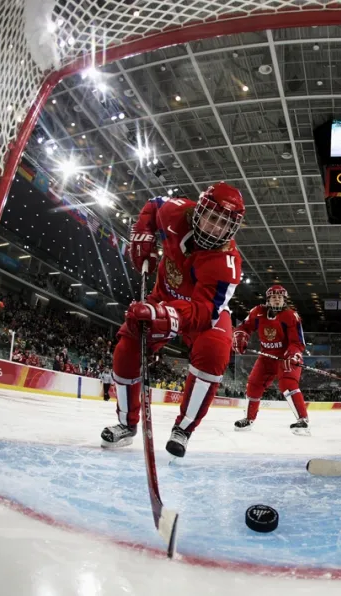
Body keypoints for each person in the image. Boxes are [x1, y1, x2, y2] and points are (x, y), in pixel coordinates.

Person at [100, 182, 244, 458]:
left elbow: (203, 312)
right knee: (127, 348)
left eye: (223, 224)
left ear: (232, 229)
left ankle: (184, 429)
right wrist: (142, 235)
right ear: (199, 210)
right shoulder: (176, 212)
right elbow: (153, 205)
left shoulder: (226, 264)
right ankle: (126, 424)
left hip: (205, 316)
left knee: (214, 352)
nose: (215, 228)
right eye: (211, 217)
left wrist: (166, 315)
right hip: (161, 299)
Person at [231, 285, 310, 435]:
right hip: (266, 357)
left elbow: (298, 342)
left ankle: (303, 420)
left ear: (284, 300)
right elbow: (244, 326)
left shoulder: (291, 316)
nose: (277, 299)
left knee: (288, 384)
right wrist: (240, 335)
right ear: (268, 300)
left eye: (280, 297)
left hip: (286, 358)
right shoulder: (257, 312)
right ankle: (248, 418)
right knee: (253, 384)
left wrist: (292, 354)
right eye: (273, 297)